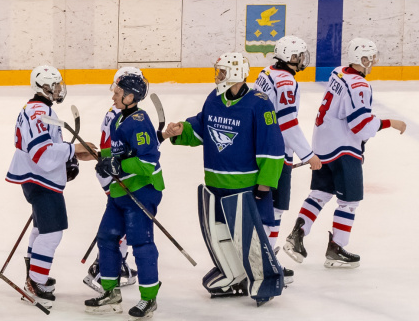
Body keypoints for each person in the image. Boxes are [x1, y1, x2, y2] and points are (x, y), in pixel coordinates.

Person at [161, 52, 285, 306]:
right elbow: (201, 127)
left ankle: (266, 281)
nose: (217, 76)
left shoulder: (259, 104)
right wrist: (182, 130)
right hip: (214, 183)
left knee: (249, 239)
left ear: (236, 74)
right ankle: (232, 273)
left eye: (222, 71)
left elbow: (272, 146)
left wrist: (265, 184)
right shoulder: (214, 98)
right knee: (218, 235)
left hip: (244, 187)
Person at [283, 37, 407, 269]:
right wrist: (390, 122)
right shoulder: (360, 86)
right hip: (342, 148)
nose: (373, 62)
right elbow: (360, 125)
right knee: (349, 202)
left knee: (320, 193)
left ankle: (296, 234)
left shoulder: (338, 72)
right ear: (362, 59)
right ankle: (336, 248)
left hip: (322, 142)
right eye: (370, 58)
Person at [84, 73, 165, 321]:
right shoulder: (119, 118)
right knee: (107, 237)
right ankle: (111, 293)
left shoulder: (140, 122)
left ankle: (149, 298)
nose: (113, 97)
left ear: (130, 97)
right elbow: (117, 151)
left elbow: (148, 163)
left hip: (142, 190)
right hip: (121, 190)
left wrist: (118, 165)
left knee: (141, 242)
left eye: (118, 93)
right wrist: (104, 160)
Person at [5, 66, 88, 307]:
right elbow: (41, 152)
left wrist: (68, 158)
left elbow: (46, 146)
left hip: (36, 177)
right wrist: (72, 149)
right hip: (40, 179)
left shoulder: (36, 108)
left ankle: (33, 276)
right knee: (52, 232)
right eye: (56, 85)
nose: (60, 89)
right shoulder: (39, 111)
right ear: (44, 87)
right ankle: (35, 281)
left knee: (41, 228)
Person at [252, 35, 321, 284]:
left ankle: (258, 257)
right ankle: (265, 261)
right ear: (290, 57)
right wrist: (309, 155)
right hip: (276, 153)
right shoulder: (286, 81)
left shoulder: (266, 72)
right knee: (275, 209)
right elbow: (287, 122)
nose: (302, 60)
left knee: (263, 206)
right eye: (299, 56)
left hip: (258, 148)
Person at [85, 67, 143, 293]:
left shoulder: (117, 111)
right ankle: (104, 270)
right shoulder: (121, 115)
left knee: (120, 221)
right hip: (115, 173)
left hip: (110, 170)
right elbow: (118, 150)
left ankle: (110, 265)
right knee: (125, 223)